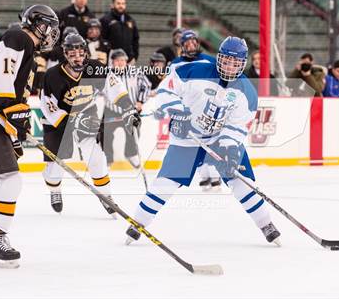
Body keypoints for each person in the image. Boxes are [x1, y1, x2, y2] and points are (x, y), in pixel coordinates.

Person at [124, 36, 281, 246]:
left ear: (243, 63)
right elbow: (166, 89)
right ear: (219, 58)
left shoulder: (247, 92)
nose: (230, 66)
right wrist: (178, 113)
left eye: (235, 63)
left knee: (241, 182)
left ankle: (265, 223)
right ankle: (138, 222)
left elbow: (237, 126)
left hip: (218, 139)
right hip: (188, 138)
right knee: (166, 182)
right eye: (226, 61)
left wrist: (228, 147)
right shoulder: (195, 70)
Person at [0, 5, 59, 268]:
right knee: (9, 179)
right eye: (49, 27)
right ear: (38, 25)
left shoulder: (28, 52)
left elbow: (14, 96)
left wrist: (16, 128)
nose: (52, 34)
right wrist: (15, 116)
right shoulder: (17, 38)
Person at [40, 34, 140, 214]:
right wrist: (71, 122)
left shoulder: (95, 68)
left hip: (86, 114)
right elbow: (48, 106)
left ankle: (106, 196)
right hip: (58, 123)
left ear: (86, 52)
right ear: (65, 54)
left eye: (80, 53)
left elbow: (114, 87)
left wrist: (128, 109)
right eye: (72, 54)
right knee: (55, 168)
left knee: (97, 158)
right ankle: (55, 190)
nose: (77, 57)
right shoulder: (52, 76)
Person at [169, 29, 221, 191]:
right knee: (188, 143)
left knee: (208, 141)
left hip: (205, 109)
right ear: (182, 46)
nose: (191, 45)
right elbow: (171, 88)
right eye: (187, 43)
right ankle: (203, 176)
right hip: (185, 110)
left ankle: (215, 175)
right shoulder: (175, 63)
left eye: (194, 42)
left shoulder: (209, 61)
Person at [99, 49, 151, 169]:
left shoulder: (136, 72)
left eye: (123, 60)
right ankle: (108, 159)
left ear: (127, 61)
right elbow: (98, 89)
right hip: (111, 109)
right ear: (112, 62)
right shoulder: (106, 74)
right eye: (117, 60)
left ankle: (131, 154)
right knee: (105, 134)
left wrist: (140, 101)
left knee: (133, 131)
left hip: (130, 109)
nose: (120, 63)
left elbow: (146, 85)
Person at [100, 0, 139, 64]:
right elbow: (102, 39)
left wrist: (135, 56)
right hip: (112, 60)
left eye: (123, 3)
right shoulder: (105, 20)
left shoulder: (131, 20)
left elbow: (135, 40)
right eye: (118, 3)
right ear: (112, 5)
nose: (121, 6)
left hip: (128, 60)